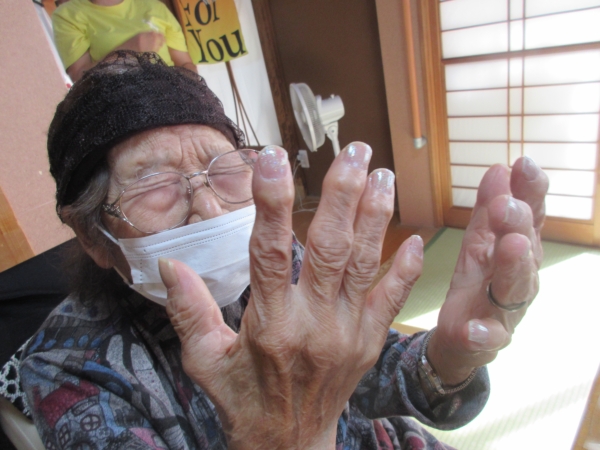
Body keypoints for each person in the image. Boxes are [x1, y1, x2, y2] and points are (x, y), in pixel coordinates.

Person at [18, 50, 548, 449]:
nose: (210, 209)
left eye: (226, 169)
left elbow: (364, 373)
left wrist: (448, 356)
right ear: (93, 237)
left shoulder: (269, 260)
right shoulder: (66, 372)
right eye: (154, 184)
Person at [52, 0, 195, 82]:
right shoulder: (68, 14)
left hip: (171, 97)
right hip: (119, 106)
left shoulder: (155, 6)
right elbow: (80, 78)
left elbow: (184, 63)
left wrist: (191, 89)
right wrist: (127, 51)